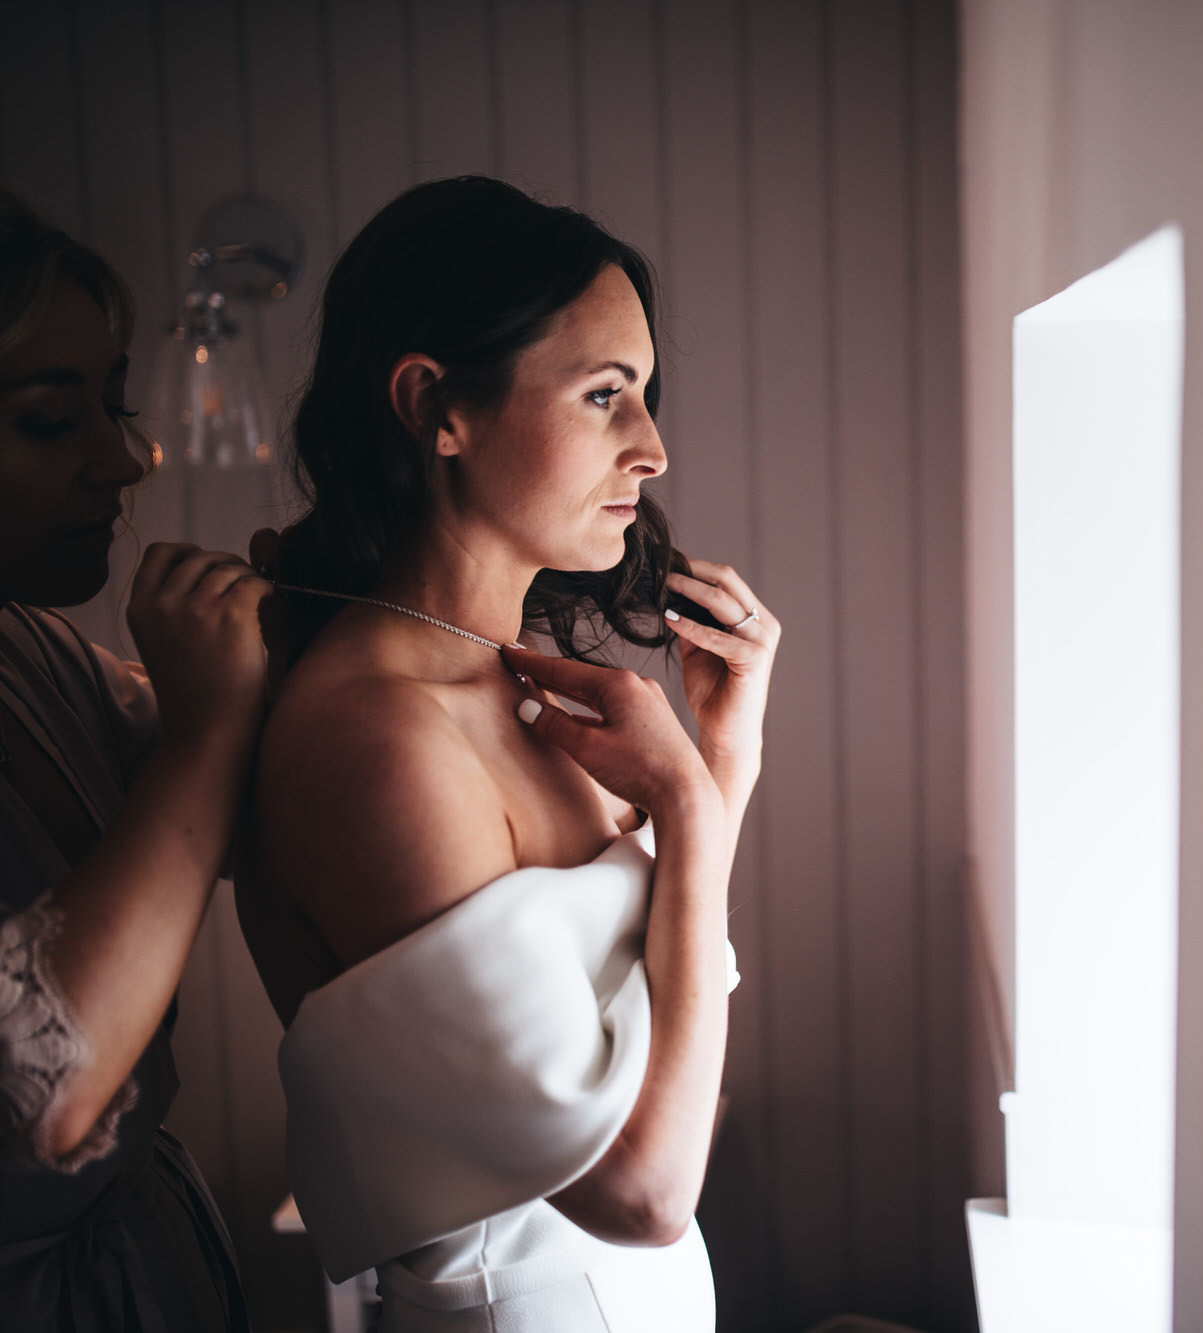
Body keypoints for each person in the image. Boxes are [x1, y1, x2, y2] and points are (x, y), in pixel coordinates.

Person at [235, 177, 777, 1331]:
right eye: (602, 394)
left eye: (644, 394)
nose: (652, 449)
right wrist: (683, 797)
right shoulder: (373, 736)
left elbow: (668, 1057)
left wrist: (724, 760)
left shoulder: (511, 674)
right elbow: (640, 1188)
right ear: (437, 405)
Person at [0, 192, 260, 1326]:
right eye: (56, 421)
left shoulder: (26, 643)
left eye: (116, 405)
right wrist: (209, 729)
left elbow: (250, 795)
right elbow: (38, 1093)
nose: (133, 458)